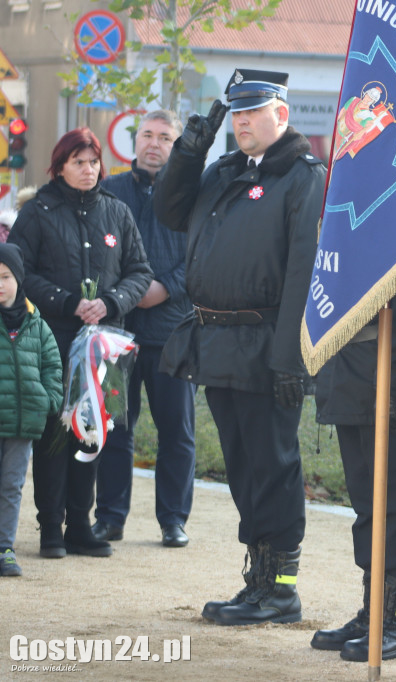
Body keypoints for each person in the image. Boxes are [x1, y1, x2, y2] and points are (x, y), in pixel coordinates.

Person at [153, 68, 325, 626]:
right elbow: (170, 211)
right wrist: (190, 148)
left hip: (266, 342)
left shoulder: (302, 178)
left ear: (282, 114)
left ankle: (281, 588)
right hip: (217, 340)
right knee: (243, 467)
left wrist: (290, 358)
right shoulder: (225, 171)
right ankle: (257, 578)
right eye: (237, 112)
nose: (244, 120)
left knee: (272, 466)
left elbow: (302, 270)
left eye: (255, 110)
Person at [8, 127, 152, 560]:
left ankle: (80, 524)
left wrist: (109, 302)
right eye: (78, 163)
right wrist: (68, 302)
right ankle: (51, 527)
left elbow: (139, 271)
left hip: (102, 345)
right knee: (55, 432)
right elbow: (18, 272)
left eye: (93, 163)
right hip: (52, 339)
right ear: (60, 165)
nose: (88, 171)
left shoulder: (116, 211)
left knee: (90, 432)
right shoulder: (37, 212)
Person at [93, 109, 196, 549]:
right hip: (119, 331)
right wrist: (125, 293)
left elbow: (203, 253)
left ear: (176, 146)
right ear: (135, 141)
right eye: (148, 135)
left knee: (177, 432)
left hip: (173, 332)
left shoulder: (193, 193)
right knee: (115, 426)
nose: (154, 144)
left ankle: (173, 520)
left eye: (165, 137)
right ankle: (110, 517)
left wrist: (165, 288)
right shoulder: (110, 190)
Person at [310, 287, 396, 661]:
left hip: (389, 372)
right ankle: (374, 611)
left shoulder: (394, 226)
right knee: (367, 509)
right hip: (348, 373)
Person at [0, 243, 63, 576]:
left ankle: (4, 548)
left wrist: (48, 400)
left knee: (12, 486)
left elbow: (52, 365)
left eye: (6, 276)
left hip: (23, 423)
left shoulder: (35, 322)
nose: (0, 284)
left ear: (18, 278)